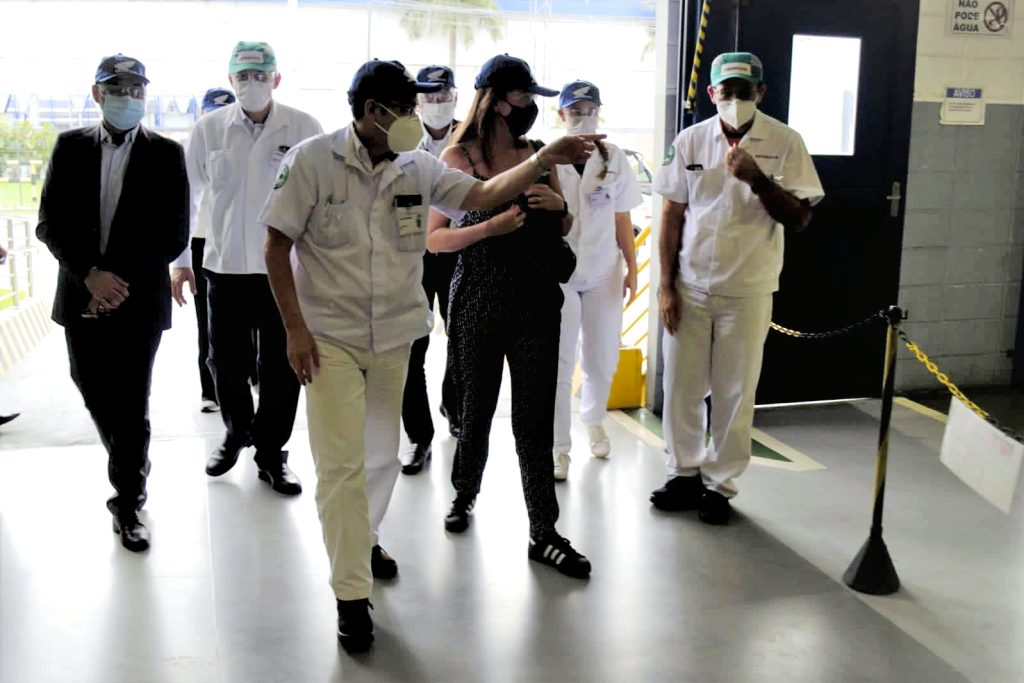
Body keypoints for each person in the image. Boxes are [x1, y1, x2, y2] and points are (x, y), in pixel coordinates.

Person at [260, 58, 598, 654]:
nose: (415, 118)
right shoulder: (312, 161)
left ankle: (362, 540)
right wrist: (295, 330)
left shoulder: (417, 166)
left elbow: (484, 193)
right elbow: (275, 244)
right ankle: (351, 595)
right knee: (341, 466)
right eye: (404, 109)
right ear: (373, 111)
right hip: (331, 337)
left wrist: (543, 160)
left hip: (394, 334)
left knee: (380, 457)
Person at [429, 55, 591, 576]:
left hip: (536, 300)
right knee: (474, 410)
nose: (530, 107)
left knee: (533, 419)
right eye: (524, 97)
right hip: (478, 298)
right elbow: (434, 240)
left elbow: (563, 227)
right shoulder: (458, 159)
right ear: (497, 100)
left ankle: (544, 530)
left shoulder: (538, 153)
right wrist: (487, 228)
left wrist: (557, 208)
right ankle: (464, 493)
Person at [651, 52, 823, 524]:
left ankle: (719, 485)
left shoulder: (785, 141)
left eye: (744, 92)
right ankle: (684, 473)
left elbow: (800, 217)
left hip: (748, 289)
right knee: (682, 385)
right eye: (726, 92)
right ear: (712, 93)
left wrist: (758, 179)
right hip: (690, 285)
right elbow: (671, 214)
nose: (734, 100)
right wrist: (666, 286)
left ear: (760, 93)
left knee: (734, 392)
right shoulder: (690, 140)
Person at [36, 54, 190, 551]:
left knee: (131, 400)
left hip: (138, 299)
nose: (128, 97)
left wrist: (116, 282)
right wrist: (90, 275)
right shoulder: (70, 147)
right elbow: (49, 222)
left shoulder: (167, 154)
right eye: (117, 88)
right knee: (90, 385)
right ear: (98, 94)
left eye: (136, 89)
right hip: (80, 292)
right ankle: (129, 457)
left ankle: (127, 500)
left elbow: (174, 233)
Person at [172, 42, 322, 495]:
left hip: (283, 272)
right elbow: (188, 199)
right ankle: (237, 431)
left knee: (281, 367)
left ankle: (272, 453)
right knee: (224, 362)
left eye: (260, 76)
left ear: (276, 79)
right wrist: (180, 263)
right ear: (230, 79)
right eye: (243, 76)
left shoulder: (303, 127)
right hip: (224, 269)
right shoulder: (209, 129)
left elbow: (320, 201)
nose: (252, 84)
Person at [551, 80, 642, 481]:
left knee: (602, 358)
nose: (583, 118)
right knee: (559, 361)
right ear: (561, 115)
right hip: (560, 273)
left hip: (605, 268)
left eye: (590, 111)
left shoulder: (614, 157)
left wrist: (633, 267)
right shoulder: (548, 157)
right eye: (575, 111)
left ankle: (593, 420)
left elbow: (622, 216)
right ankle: (558, 446)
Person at [399, 64, 461, 476]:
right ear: (417, 102)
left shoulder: (472, 136)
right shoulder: (400, 136)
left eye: (444, 95)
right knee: (412, 347)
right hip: (413, 255)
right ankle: (418, 436)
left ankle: (454, 407)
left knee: (462, 341)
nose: (437, 103)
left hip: (460, 251)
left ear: (455, 97)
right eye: (430, 96)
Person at [173, 87, 236, 414]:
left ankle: (248, 377)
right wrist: (180, 260)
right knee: (207, 320)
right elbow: (183, 206)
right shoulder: (195, 145)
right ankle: (209, 389)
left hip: (236, 240)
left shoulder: (245, 144)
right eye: (211, 113)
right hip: (201, 243)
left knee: (249, 316)